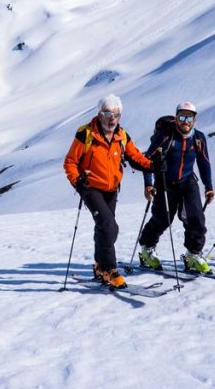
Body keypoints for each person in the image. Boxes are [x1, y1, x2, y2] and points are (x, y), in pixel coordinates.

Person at [63, 94, 153, 289]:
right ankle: (110, 270)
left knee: (104, 229)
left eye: (116, 114)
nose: (112, 118)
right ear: (99, 114)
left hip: (112, 189)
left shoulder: (122, 136)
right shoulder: (86, 134)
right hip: (90, 188)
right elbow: (70, 162)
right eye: (107, 114)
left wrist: (153, 165)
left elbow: (135, 156)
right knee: (109, 226)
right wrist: (78, 182)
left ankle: (99, 265)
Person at [137, 101, 214, 274]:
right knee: (162, 219)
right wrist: (148, 184)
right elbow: (147, 160)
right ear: (176, 117)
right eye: (181, 117)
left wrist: (208, 186)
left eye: (189, 117)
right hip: (165, 182)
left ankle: (193, 254)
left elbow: (204, 163)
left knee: (196, 219)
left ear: (195, 120)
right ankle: (146, 248)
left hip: (188, 182)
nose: (185, 121)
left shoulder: (199, 138)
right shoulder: (165, 136)